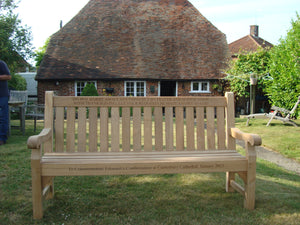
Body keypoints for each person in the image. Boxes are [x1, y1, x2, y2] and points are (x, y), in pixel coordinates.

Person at [0, 60, 11, 145]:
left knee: (3, 117)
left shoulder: (1, 63)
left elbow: (8, 76)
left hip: (2, 95)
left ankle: (2, 138)